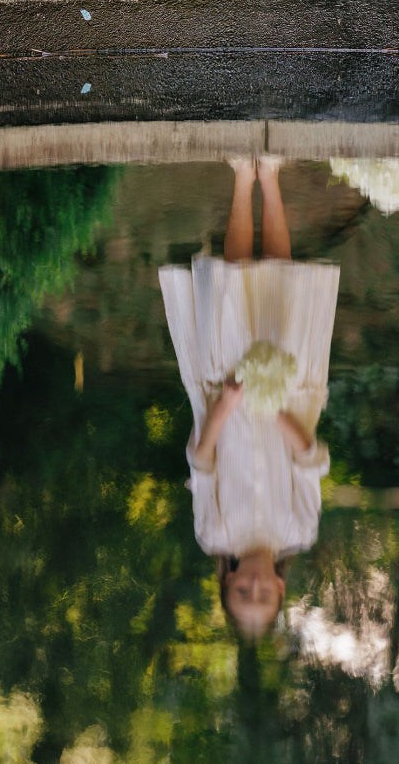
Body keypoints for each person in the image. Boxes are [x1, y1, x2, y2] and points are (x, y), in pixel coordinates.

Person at [158, 156, 340, 638]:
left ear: (229, 579)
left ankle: (242, 176)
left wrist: (225, 407)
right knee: (280, 284)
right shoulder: (300, 530)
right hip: (289, 402)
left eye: (243, 593)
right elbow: (309, 460)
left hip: (229, 402)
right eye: (264, 597)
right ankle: (271, 177)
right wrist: (277, 407)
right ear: (281, 591)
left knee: (234, 289)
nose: (255, 587)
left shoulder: (212, 535)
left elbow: (202, 464)